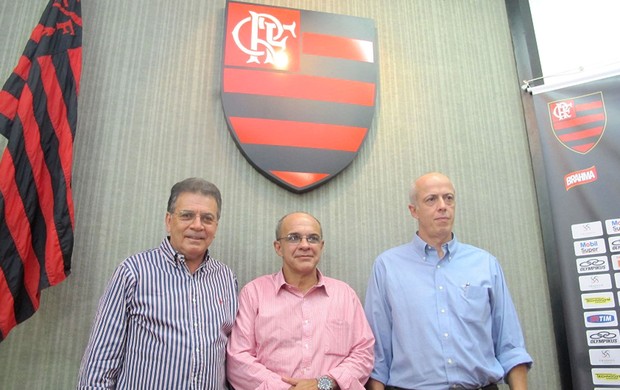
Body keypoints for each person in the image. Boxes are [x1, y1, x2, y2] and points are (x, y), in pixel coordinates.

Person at [364, 172, 532, 390]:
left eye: (449, 198)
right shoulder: (387, 267)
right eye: (431, 199)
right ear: (413, 210)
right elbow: (378, 355)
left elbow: (510, 345)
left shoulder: (485, 264)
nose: (442, 206)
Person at [77, 178, 238, 389]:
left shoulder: (226, 278)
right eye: (187, 215)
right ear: (169, 221)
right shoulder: (133, 272)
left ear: (215, 226)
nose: (197, 225)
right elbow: (100, 363)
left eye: (207, 218)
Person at [226, 212, 375, 390]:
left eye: (312, 238)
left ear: (321, 246)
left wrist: (324, 384)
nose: (305, 245)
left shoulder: (344, 295)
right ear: (278, 247)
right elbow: (238, 358)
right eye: (294, 238)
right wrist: (287, 389)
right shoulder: (254, 293)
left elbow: (364, 353)